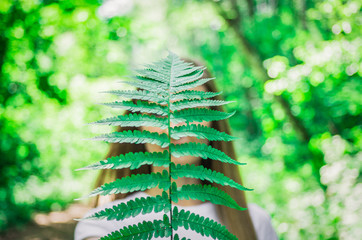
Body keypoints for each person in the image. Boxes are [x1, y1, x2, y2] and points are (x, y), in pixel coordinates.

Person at [74, 59, 278, 240]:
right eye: (160, 112)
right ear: (137, 125)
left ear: (213, 124)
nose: (176, 125)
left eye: (191, 110)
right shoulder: (102, 226)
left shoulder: (255, 222)